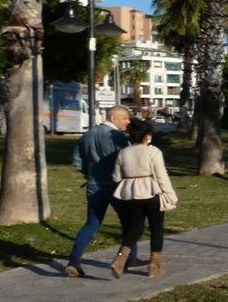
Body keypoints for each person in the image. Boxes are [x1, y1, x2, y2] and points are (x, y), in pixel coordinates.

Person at [64, 105, 130, 277]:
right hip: (115, 186)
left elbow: (77, 162)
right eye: (125, 118)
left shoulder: (88, 135)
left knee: (92, 223)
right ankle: (129, 258)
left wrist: (90, 174)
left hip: (93, 184)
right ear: (113, 118)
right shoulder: (118, 137)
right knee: (129, 223)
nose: (128, 122)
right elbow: (125, 162)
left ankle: (74, 260)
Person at [109, 119, 178, 278]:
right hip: (151, 192)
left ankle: (120, 259)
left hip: (130, 194)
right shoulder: (153, 151)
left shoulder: (123, 152)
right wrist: (171, 196)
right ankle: (154, 266)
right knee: (156, 228)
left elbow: (116, 176)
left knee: (136, 228)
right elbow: (162, 176)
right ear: (147, 136)